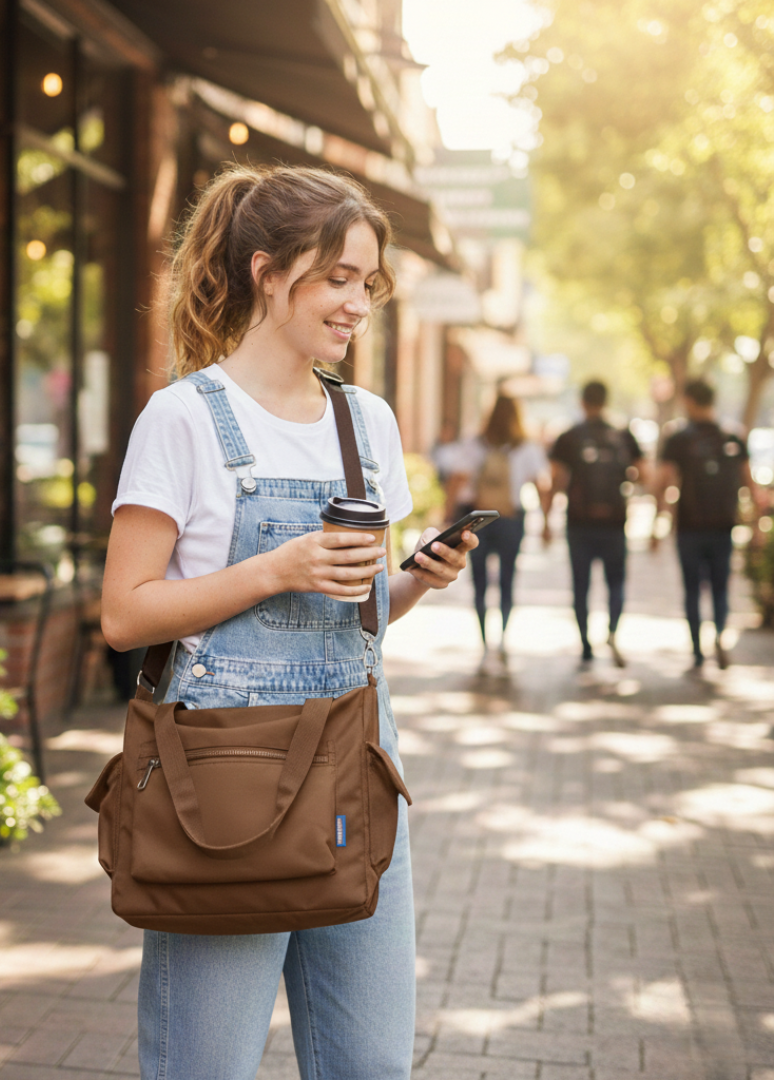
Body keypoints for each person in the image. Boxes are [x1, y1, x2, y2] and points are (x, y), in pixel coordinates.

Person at [101, 164, 478, 1080]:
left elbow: (356, 619)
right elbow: (124, 612)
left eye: (368, 283)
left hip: (355, 768)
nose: (357, 304)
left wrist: (414, 582)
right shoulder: (183, 418)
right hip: (222, 780)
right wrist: (275, 568)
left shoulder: (367, 423)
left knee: (370, 1066)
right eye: (337, 278)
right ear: (268, 273)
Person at [654, 378, 764, 669]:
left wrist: (658, 521)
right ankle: (719, 636)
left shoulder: (679, 438)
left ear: (689, 401)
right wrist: (756, 527)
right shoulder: (733, 436)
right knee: (720, 588)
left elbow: (663, 482)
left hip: (689, 527)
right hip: (723, 526)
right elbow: (750, 485)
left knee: (692, 589)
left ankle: (697, 651)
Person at [444, 392, 550, 670]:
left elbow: (457, 479)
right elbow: (541, 484)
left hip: (477, 520)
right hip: (511, 518)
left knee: (479, 581)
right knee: (507, 579)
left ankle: (484, 643)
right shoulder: (526, 446)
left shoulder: (475, 443)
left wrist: (447, 515)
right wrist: (547, 522)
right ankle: (502, 640)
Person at [548, 380, 645, 666]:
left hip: (579, 524)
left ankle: (585, 645)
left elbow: (556, 480)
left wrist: (545, 518)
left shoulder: (569, 436)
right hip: (614, 523)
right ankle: (612, 631)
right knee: (616, 582)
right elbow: (644, 475)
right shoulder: (623, 435)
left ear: (582, 401)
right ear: (606, 401)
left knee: (581, 585)